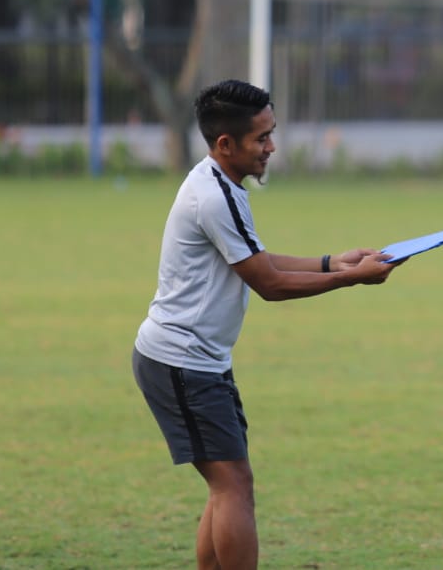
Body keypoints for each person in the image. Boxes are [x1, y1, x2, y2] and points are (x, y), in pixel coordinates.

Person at [132, 79, 401, 570]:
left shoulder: (218, 184)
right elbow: (269, 284)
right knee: (233, 485)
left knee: (227, 484)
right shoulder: (215, 197)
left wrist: (332, 262)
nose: (271, 147)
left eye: (271, 133)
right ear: (225, 144)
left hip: (198, 360)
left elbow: (256, 260)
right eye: (262, 138)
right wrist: (352, 280)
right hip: (181, 362)